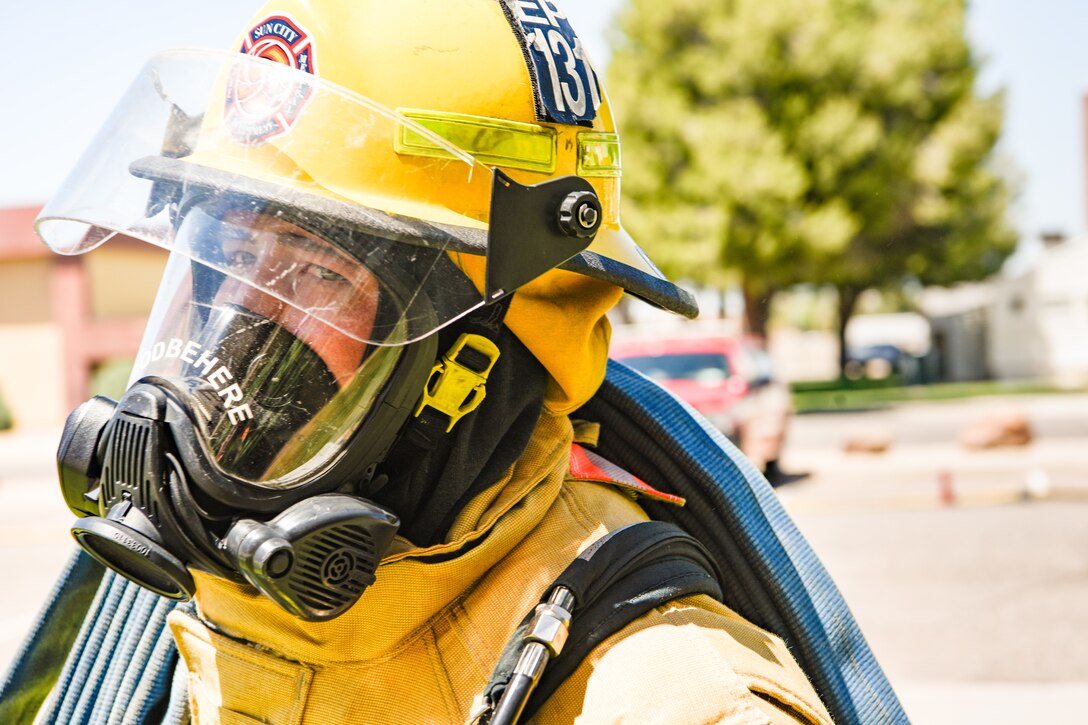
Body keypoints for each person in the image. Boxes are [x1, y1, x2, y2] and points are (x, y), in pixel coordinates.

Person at [33, 0, 835, 722]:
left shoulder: (672, 699)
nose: (243, 319)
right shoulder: (213, 617)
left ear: (482, 355)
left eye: (317, 273)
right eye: (229, 256)